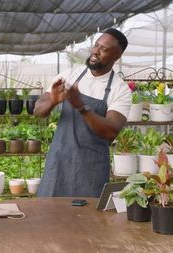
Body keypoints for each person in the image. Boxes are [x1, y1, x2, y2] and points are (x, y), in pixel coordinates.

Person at [34, 28, 131, 198]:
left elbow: (110, 132)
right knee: (49, 217)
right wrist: (53, 101)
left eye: (104, 49)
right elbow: (38, 110)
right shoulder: (70, 74)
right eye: (96, 45)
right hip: (59, 162)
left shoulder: (119, 89)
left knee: (87, 221)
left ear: (116, 56)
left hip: (90, 170)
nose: (95, 52)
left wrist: (81, 106)